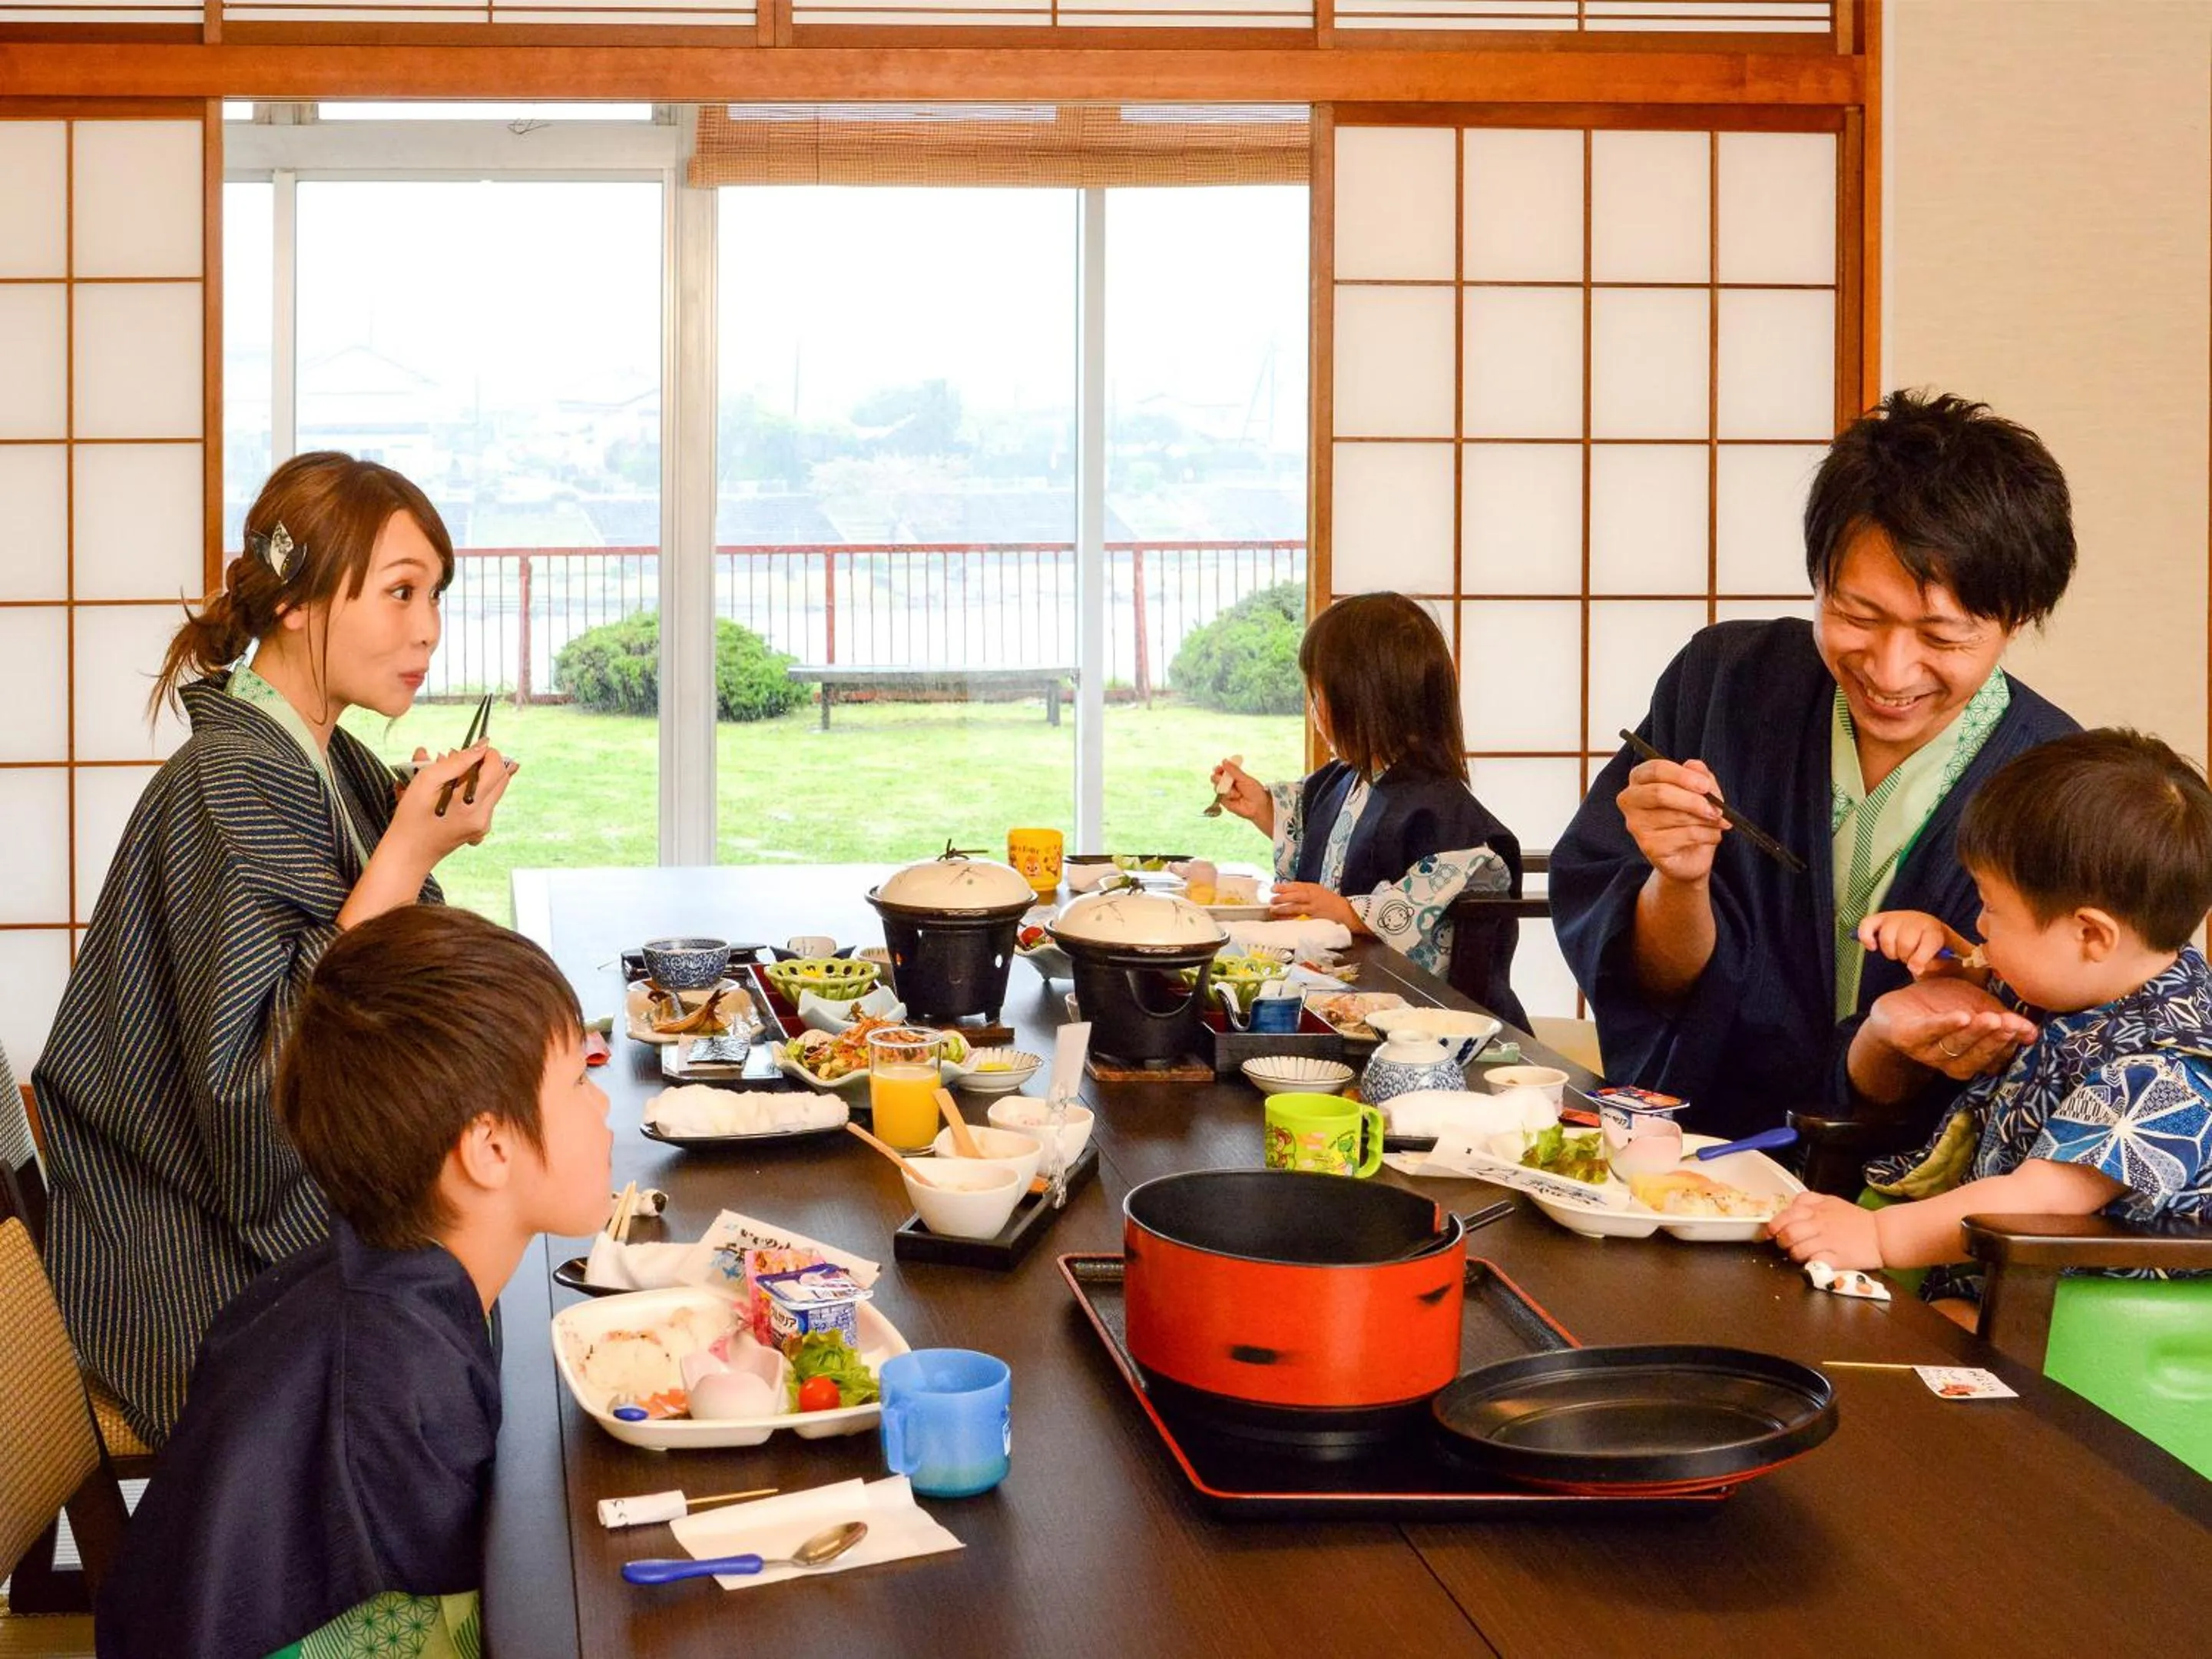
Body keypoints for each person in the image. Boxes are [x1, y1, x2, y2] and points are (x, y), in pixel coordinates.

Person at [33, 451, 516, 1445]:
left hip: (215, 1208)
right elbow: (260, 1095)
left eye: (435, 595)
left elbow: (376, 970)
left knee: (495, 1258)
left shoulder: (320, 754)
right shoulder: (231, 779)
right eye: (399, 592)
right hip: (183, 1251)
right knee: (462, 1318)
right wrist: (403, 855)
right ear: (295, 604)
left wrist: (411, 839)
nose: (427, 627)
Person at [1548, 391, 2081, 1142]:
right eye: (1858, 616)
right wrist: (1679, 879)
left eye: (1942, 635)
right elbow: (1655, 987)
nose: (1892, 671)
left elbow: (2045, 1053)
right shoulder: (1725, 684)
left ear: (2018, 618)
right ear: (1818, 578)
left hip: (1912, 1203)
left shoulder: (2059, 784)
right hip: (1695, 1153)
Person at [97, 905, 611, 1659]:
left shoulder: (379, 1282)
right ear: (489, 1148)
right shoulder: (396, 1371)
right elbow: (492, 1615)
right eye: (577, 1081)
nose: (602, 1108)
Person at [1767, 730, 2212, 1313]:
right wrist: (1945, 953)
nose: (1979, 924)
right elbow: (2006, 976)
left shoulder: (2167, 1070)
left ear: (2091, 934)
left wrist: (1877, 1237)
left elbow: (2043, 1200)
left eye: (1993, 910)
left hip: (2070, 1302)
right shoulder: (2091, 979)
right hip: (1989, 1268)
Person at [1210, 591, 1527, 1028]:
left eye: (1319, 697)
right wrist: (1263, 807)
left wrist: (1351, 914)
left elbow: (1438, 897)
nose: (1314, 712)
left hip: (1427, 1025)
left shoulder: (1441, 807)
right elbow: (1313, 832)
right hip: (1347, 1000)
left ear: (1364, 702)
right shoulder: (1343, 779)